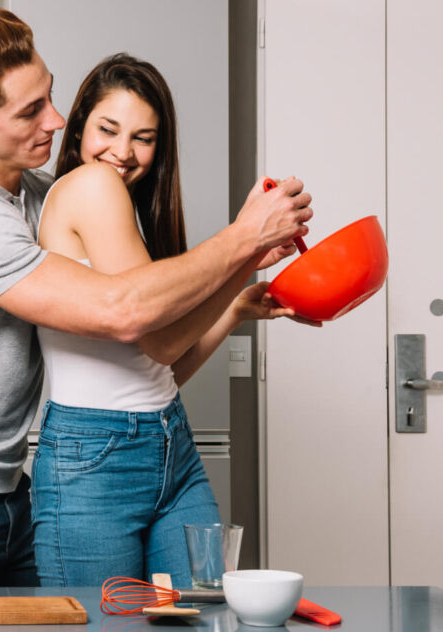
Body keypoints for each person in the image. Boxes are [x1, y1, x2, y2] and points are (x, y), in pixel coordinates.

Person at [0, 9, 312, 586]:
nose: (55, 120)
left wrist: (235, 291)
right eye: (31, 111)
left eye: (50, 97)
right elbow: (128, 315)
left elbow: (145, 354)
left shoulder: (38, 193)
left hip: (7, 479)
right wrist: (246, 237)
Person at [30, 54, 302, 588]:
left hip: (170, 441)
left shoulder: (126, 211)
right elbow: (155, 338)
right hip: (94, 461)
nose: (123, 152)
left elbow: (162, 367)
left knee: (201, 628)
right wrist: (247, 240)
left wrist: (237, 300)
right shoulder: (90, 186)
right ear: (80, 122)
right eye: (108, 128)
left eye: (144, 138)